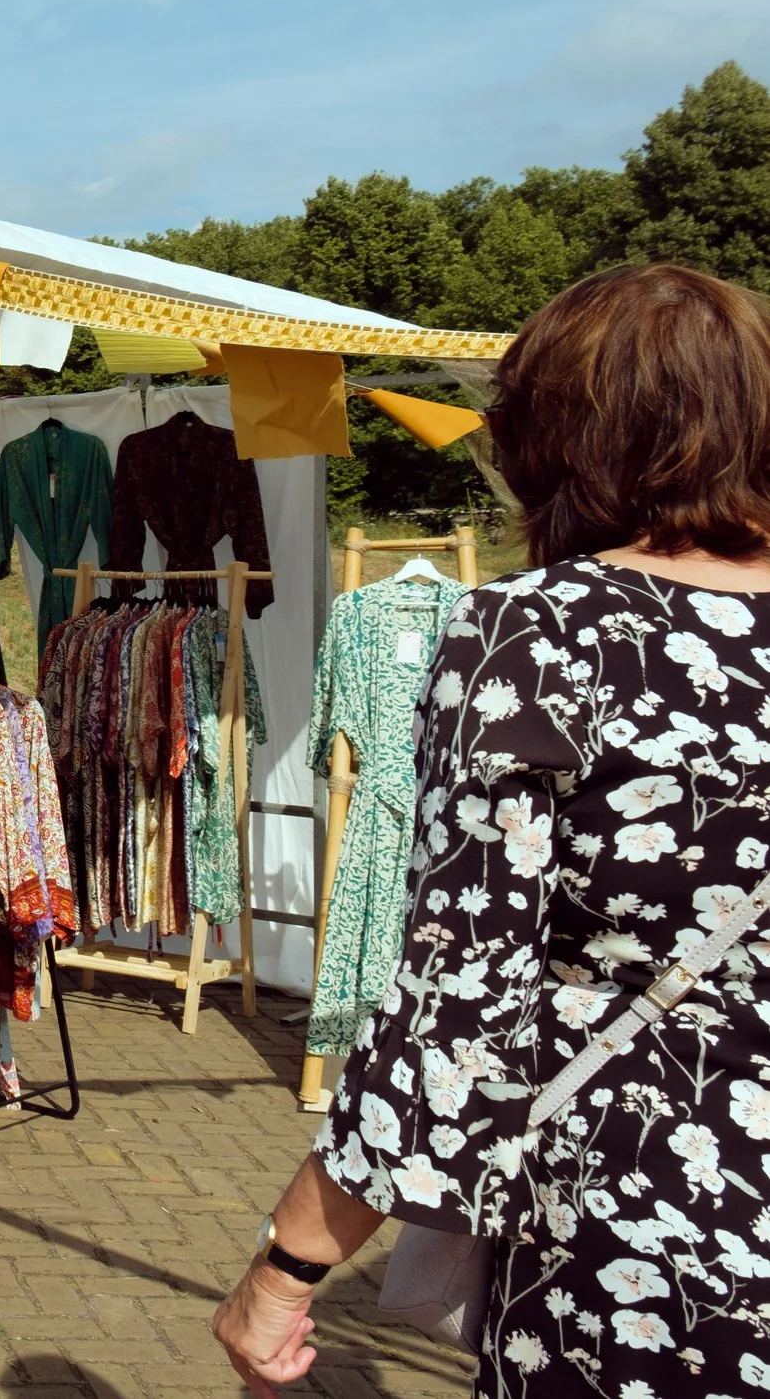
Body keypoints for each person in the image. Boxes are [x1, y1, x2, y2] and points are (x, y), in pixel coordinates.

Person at [214, 263, 770, 1397]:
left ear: (550, 431)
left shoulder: (543, 634)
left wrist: (287, 1265)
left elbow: (459, 1004)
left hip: (645, 1232)